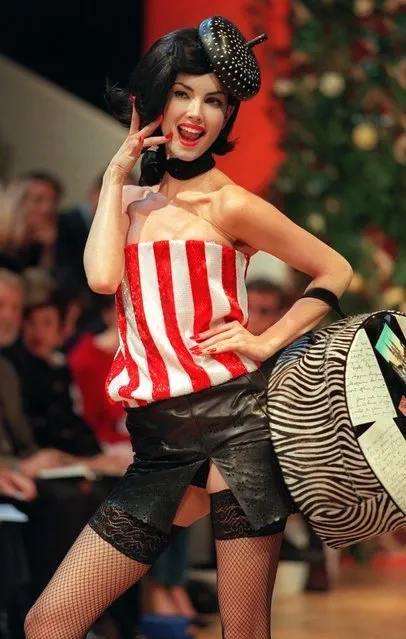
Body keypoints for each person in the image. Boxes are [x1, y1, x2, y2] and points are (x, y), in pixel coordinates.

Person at [25, 17, 353, 639]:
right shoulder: (124, 202)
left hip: (236, 428)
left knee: (243, 632)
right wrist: (118, 174)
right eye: (182, 93)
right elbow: (100, 279)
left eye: (215, 100)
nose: (197, 112)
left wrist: (263, 341)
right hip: (157, 442)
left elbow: (333, 269)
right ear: (154, 98)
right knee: (49, 622)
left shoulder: (229, 203)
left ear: (229, 116)